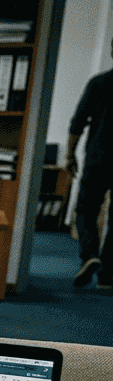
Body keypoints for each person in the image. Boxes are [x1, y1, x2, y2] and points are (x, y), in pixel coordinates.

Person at [66, 36, 113, 289]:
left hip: (98, 157)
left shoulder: (99, 83)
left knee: (85, 210)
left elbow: (78, 121)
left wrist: (69, 154)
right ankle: (108, 276)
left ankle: (90, 255)